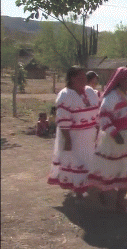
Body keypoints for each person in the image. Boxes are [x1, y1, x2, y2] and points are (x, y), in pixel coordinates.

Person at [88, 67, 127, 213]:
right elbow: (104, 117)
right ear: (121, 81)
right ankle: (103, 195)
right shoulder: (111, 97)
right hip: (114, 140)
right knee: (111, 169)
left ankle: (119, 202)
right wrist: (114, 133)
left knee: (126, 170)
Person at [47, 66, 100, 198]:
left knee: (90, 161)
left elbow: (98, 111)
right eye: (80, 77)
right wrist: (67, 140)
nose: (84, 80)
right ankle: (78, 192)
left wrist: (98, 130)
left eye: (84, 77)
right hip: (74, 137)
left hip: (90, 135)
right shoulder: (65, 95)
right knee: (76, 163)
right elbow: (63, 120)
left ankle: (86, 186)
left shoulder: (90, 92)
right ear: (71, 79)